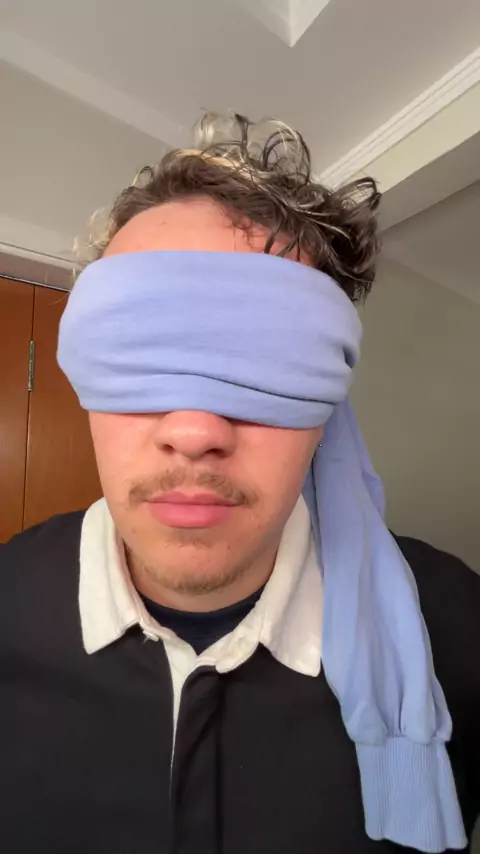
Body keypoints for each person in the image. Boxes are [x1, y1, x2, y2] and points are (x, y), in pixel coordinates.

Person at [1, 112, 479, 854]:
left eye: (268, 364)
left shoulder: (461, 630)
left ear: (327, 410)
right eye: (140, 351)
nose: (195, 430)